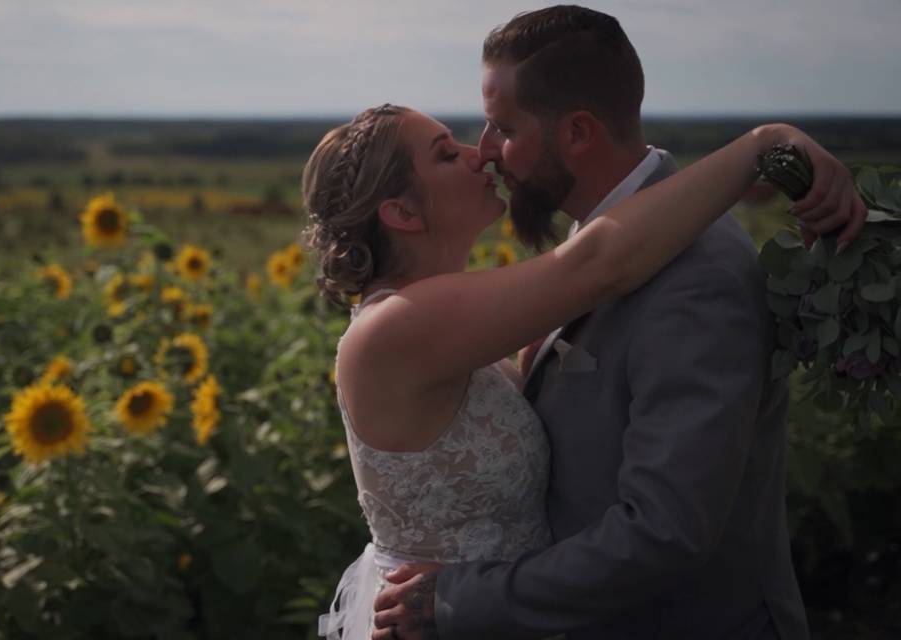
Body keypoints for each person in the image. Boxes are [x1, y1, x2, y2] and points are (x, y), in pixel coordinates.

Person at [368, 7, 858, 640]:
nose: (485, 151)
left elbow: (664, 530)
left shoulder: (696, 279)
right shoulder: (600, 243)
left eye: (504, 127)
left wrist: (456, 600)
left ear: (577, 133)